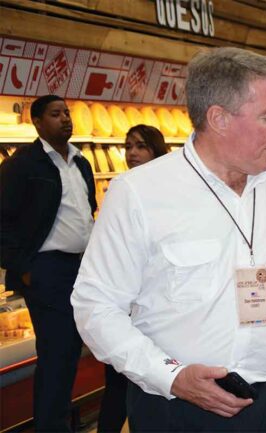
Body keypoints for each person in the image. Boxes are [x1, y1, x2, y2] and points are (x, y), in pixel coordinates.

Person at [72, 47, 266, 433]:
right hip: (181, 408)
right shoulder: (139, 193)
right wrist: (171, 376)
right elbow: (96, 307)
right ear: (219, 119)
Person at [0, 94, 96, 432]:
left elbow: (88, 208)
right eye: (56, 114)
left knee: (71, 351)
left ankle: (57, 421)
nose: (65, 119)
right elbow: (3, 220)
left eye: (67, 112)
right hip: (46, 270)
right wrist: (23, 266)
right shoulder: (23, 165)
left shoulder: (81, 162)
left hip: (80, 269)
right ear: (37, 122)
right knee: (58, 353)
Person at [96, 124, 169, 433]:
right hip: (125, 305)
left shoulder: (172, 190)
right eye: (128, 146)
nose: (133, 153)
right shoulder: (122, 188)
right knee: (118, 383)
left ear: (157, 149)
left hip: (160, 309)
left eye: (141, 146)